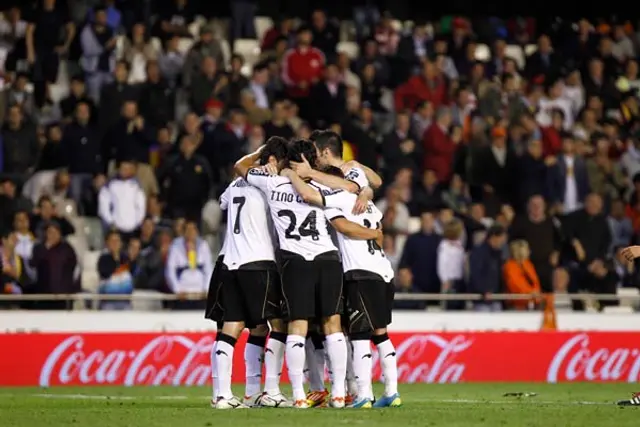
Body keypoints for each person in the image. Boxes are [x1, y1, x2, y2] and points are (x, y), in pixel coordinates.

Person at [235, 139, 378, 408]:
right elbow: (353, 187)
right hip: (326, 259)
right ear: (312, 161)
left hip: (295, 260)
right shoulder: (323, 184)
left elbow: (240, 166)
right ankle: (337, 393)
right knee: (332, 325)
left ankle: (300, 395)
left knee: (297, 327)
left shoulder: (271, 183)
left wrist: (269, 159)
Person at [282, 164, 401, 408]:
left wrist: (295, 175)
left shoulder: (336, 199)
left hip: (360, 273)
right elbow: (378, 225)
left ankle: (364, 394)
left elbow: (343, 225)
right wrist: (374, 231)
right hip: (384, 272)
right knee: (381, 333)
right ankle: (392, 392)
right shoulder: (369, 203)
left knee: (359, 335)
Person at [212, 137, 290, 409]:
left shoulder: (234, 184)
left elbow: (224, 203)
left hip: (229, 262)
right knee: (279, 324)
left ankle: (225, 395)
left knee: (234, 327)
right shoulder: (270, 180)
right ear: (274, 161)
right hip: (258, 262)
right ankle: (269, 391)